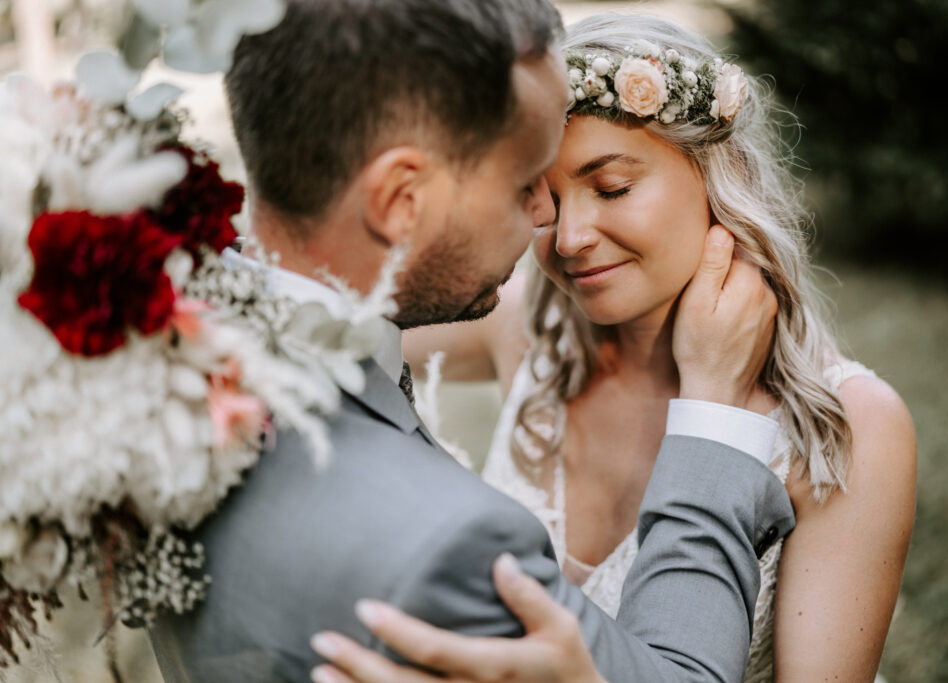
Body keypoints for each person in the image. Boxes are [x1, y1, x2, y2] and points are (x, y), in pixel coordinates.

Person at [148, 2, 794, 682]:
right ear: (401, 199)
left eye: (608, 187)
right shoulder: (453, 546)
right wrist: (717, 415)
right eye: (526, 185)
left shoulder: (155, 362)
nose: (553, 223)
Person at [316, 12, 917, 683]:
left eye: (612, 188)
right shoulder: (519, 328)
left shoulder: (846, 428)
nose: (569, 238)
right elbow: (324, 325)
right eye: (541, 197)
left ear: (723, 171)